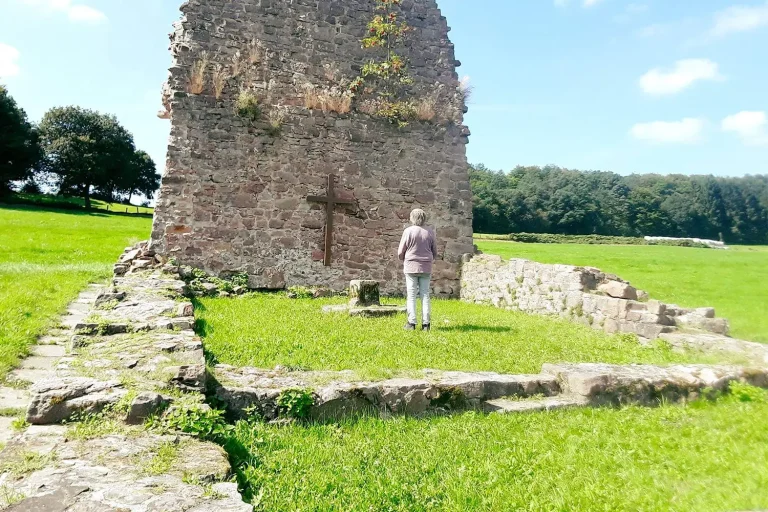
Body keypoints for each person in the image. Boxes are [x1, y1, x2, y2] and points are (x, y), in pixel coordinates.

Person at [397, 208, 437, 331]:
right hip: (426, 266)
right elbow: (434, 252)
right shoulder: (430, 232)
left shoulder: (408, 231)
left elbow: (400, 252)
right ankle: (426, 324)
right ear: (424, 218)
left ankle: (411, 323)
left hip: (410, 266)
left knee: (412, 295)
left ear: (412, 218)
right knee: (425, 295)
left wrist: (404, 258)